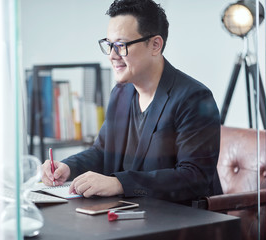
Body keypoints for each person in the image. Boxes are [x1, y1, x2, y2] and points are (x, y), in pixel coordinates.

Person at [41, 0, 222, 204]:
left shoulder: (193, 98)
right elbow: (102, 151)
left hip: (181, 220)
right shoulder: (121, 92)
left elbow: (194, 178)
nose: (112, 56)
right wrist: (68, 167)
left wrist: (119, 183)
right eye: (109, 45)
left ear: (155, 45)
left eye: (121, 45)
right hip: (130, 213)